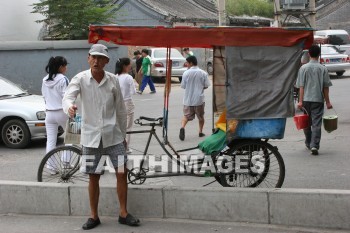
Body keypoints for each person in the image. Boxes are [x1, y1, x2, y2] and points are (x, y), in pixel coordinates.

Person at [62, 44, 140, 230]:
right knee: (94, 176)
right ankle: (94, 216)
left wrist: (123, 134)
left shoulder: (113, 80)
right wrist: (70, 108)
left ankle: (123, 213)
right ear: (88, 58)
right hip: (90, 137)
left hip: (113, 135)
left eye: (100, 58)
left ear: (107, 61)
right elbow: (67, 97)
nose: (96, 61)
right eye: (93, 57)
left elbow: (121, 110)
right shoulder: (80, 79)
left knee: (122, 173)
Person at [295, 44, 333, 156]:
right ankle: (314, 145)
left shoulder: (303, 68)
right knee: (316, 123)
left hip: (306, 100)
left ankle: (308, 142)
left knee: (306, 123)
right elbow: (325, 87)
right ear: (319, 54)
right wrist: (328, 102)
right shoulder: (323, 69)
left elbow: (301, 86)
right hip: (318, 100)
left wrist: (300, 101)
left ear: (309, 54)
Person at [41, 56, 70, 174]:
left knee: (51, 141)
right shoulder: (63, 79)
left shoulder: (45, 80)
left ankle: (51, 167)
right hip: (62, 112)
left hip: (49, 113)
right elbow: (67, 97)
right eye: (65, 65)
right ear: (60, 67)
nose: (66, 68)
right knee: (71, 137)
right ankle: (66, 162)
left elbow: (44, 96)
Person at [179, 56, 210, 141]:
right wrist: (200, 88)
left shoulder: (186, 73)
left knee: (186, 116)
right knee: (201, 117)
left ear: (191, 63)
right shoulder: (203, 73)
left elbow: (183, 86)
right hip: (199, 100)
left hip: (188, 100)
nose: (186, 64)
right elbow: (206, 85)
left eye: (187, 63)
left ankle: (182, 127)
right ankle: (200, 132)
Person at [116, 58, 136, 154]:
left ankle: (119, 146)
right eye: (129, 65)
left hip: (117, 104)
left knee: (119, 126)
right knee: (128, 127)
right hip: (127, 103)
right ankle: (126, 147)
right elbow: (133, 92)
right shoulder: (128, 77)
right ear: (125, 66)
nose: (130, 67)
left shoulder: (115, 77)